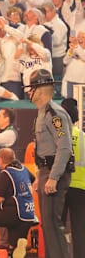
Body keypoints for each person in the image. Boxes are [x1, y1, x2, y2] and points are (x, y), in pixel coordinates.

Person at [24, 69, 73, 258]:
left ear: (41, 89)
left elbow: (64, 147)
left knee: (53, 224)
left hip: (54, 172)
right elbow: (47, 149)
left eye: (31, 88)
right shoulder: (43, 112)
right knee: (48, 225)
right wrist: (41, 175)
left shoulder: (54, 114)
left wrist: (52, 177)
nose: (29, 93)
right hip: (47, 170)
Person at [0, 148, 38, 255]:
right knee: (15, 246)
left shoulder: (6, 173)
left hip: (14, 214)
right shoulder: (23, 169)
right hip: (28, 214)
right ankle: (15, 247)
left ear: (0, 160)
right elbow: (35, 182)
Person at [60, 98, 84, 258]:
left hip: (60, 185)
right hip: (81, 187)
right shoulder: (83, 136)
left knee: (58, 226)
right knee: (80, 227)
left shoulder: (59, 136)